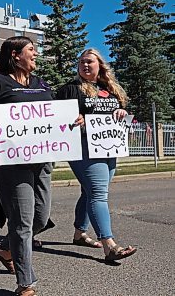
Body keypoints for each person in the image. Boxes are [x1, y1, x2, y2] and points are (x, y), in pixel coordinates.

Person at [0, 36, 53, 296]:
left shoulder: (41, 84)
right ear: (15, 55)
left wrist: (72, 119)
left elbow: (54, 112)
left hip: (41, 158)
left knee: (40, 217)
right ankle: (25, 282)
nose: (36, 54)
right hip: (10, 161)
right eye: (32, 50)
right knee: (22, 221)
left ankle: (5, 247)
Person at [56, 48, 137, 262]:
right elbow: (57, 118)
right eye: (82, 62)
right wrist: (75, 119)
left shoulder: (110, 89)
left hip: (109, 147)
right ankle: (109, 245)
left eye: (90, 62)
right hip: (83, 148)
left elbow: (119, 112)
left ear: (100, 64)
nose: (85, 65)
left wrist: (121, 113)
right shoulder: (70, 89)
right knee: (99, 193)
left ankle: (79, 233)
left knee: (89, 192)